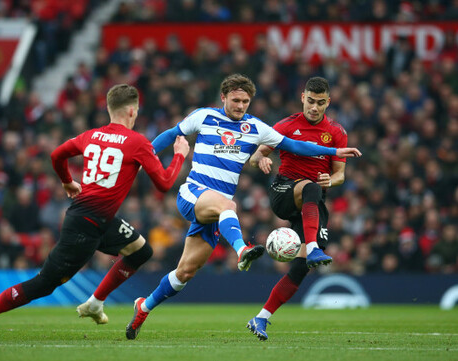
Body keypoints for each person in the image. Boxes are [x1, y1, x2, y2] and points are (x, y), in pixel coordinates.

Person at [125, 74, 361, 340]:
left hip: (216, 211)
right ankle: (242, 250)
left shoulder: (257, 128)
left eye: (245, 101)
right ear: (223, 97)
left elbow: (295, 145)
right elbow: (170, 135)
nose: (240, 106)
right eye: (235, 100)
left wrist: (333, 153)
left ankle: (143, 306)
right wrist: (140, 159)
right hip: (194, 194)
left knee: (184, 273)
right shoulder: (203, 116)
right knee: (229, 204)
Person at [0, 84, 190, 345]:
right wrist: (179, 156)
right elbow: (165, 183)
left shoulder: (91, 135)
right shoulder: (137, 142)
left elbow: (57, 155)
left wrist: (67, 181)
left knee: (141, 252)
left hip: (98, 219)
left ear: (109, 109)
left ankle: (95, 302)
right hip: (86, 225)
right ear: (133, 111)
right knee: (43, 284)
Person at [246, 76, 351, 341]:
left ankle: (261, 318)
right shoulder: (285, 125)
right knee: (312, 188)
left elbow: (340, 175)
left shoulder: (337, 132)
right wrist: (261, 160)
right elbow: (258, 154)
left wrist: (332, 179)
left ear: (328, 102)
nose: (314, 108)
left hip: (312, 204)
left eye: (320, 103)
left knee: (301, 268)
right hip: (284, 191)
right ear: (303, 97)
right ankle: (314, 248)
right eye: (310, 101)